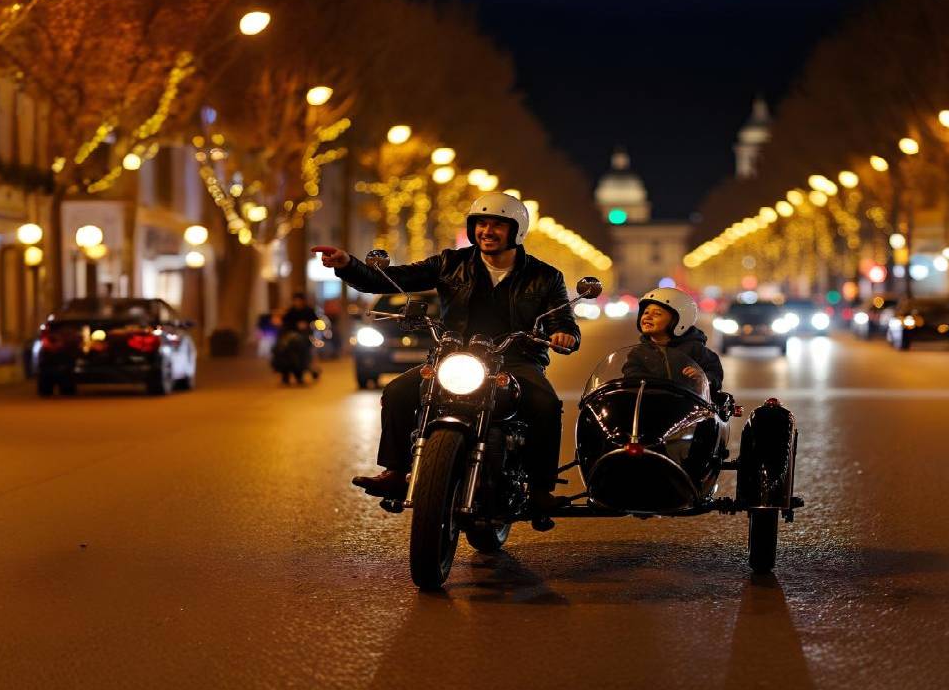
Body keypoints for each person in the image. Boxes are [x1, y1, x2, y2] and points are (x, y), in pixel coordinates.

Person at [311, 192, 580, 510]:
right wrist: (347, 265)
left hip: (515, 358)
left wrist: (564, 334)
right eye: (481, 224)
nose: (487, 231)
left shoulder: (545, 276)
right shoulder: (450, 263)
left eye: (496, 225)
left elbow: (562, 318)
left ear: (516, 230)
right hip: (454, 355)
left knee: (546, 404)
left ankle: (539, 490)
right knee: (398, 391)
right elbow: (392, 278)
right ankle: (396, 472)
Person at [623, 287, 723, 397]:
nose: (648, 317)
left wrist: (702, 378)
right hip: (650, 406)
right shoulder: (638, 353)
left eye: (657, 314)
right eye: (645, 312)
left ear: (678, 320)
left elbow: (715, 376)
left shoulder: (696, 349)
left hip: (687, 406)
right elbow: (631, 376)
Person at [279, 292, 321, 380]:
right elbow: (285, 322)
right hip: (291, 336)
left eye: (299, 300)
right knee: (282, 348)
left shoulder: (308, 310)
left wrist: (307, 325)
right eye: (296, 301)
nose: (297, 302)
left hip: (306, 336)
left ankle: (304, 368)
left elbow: (316, 320)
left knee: (305, 350)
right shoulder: (291, 311)